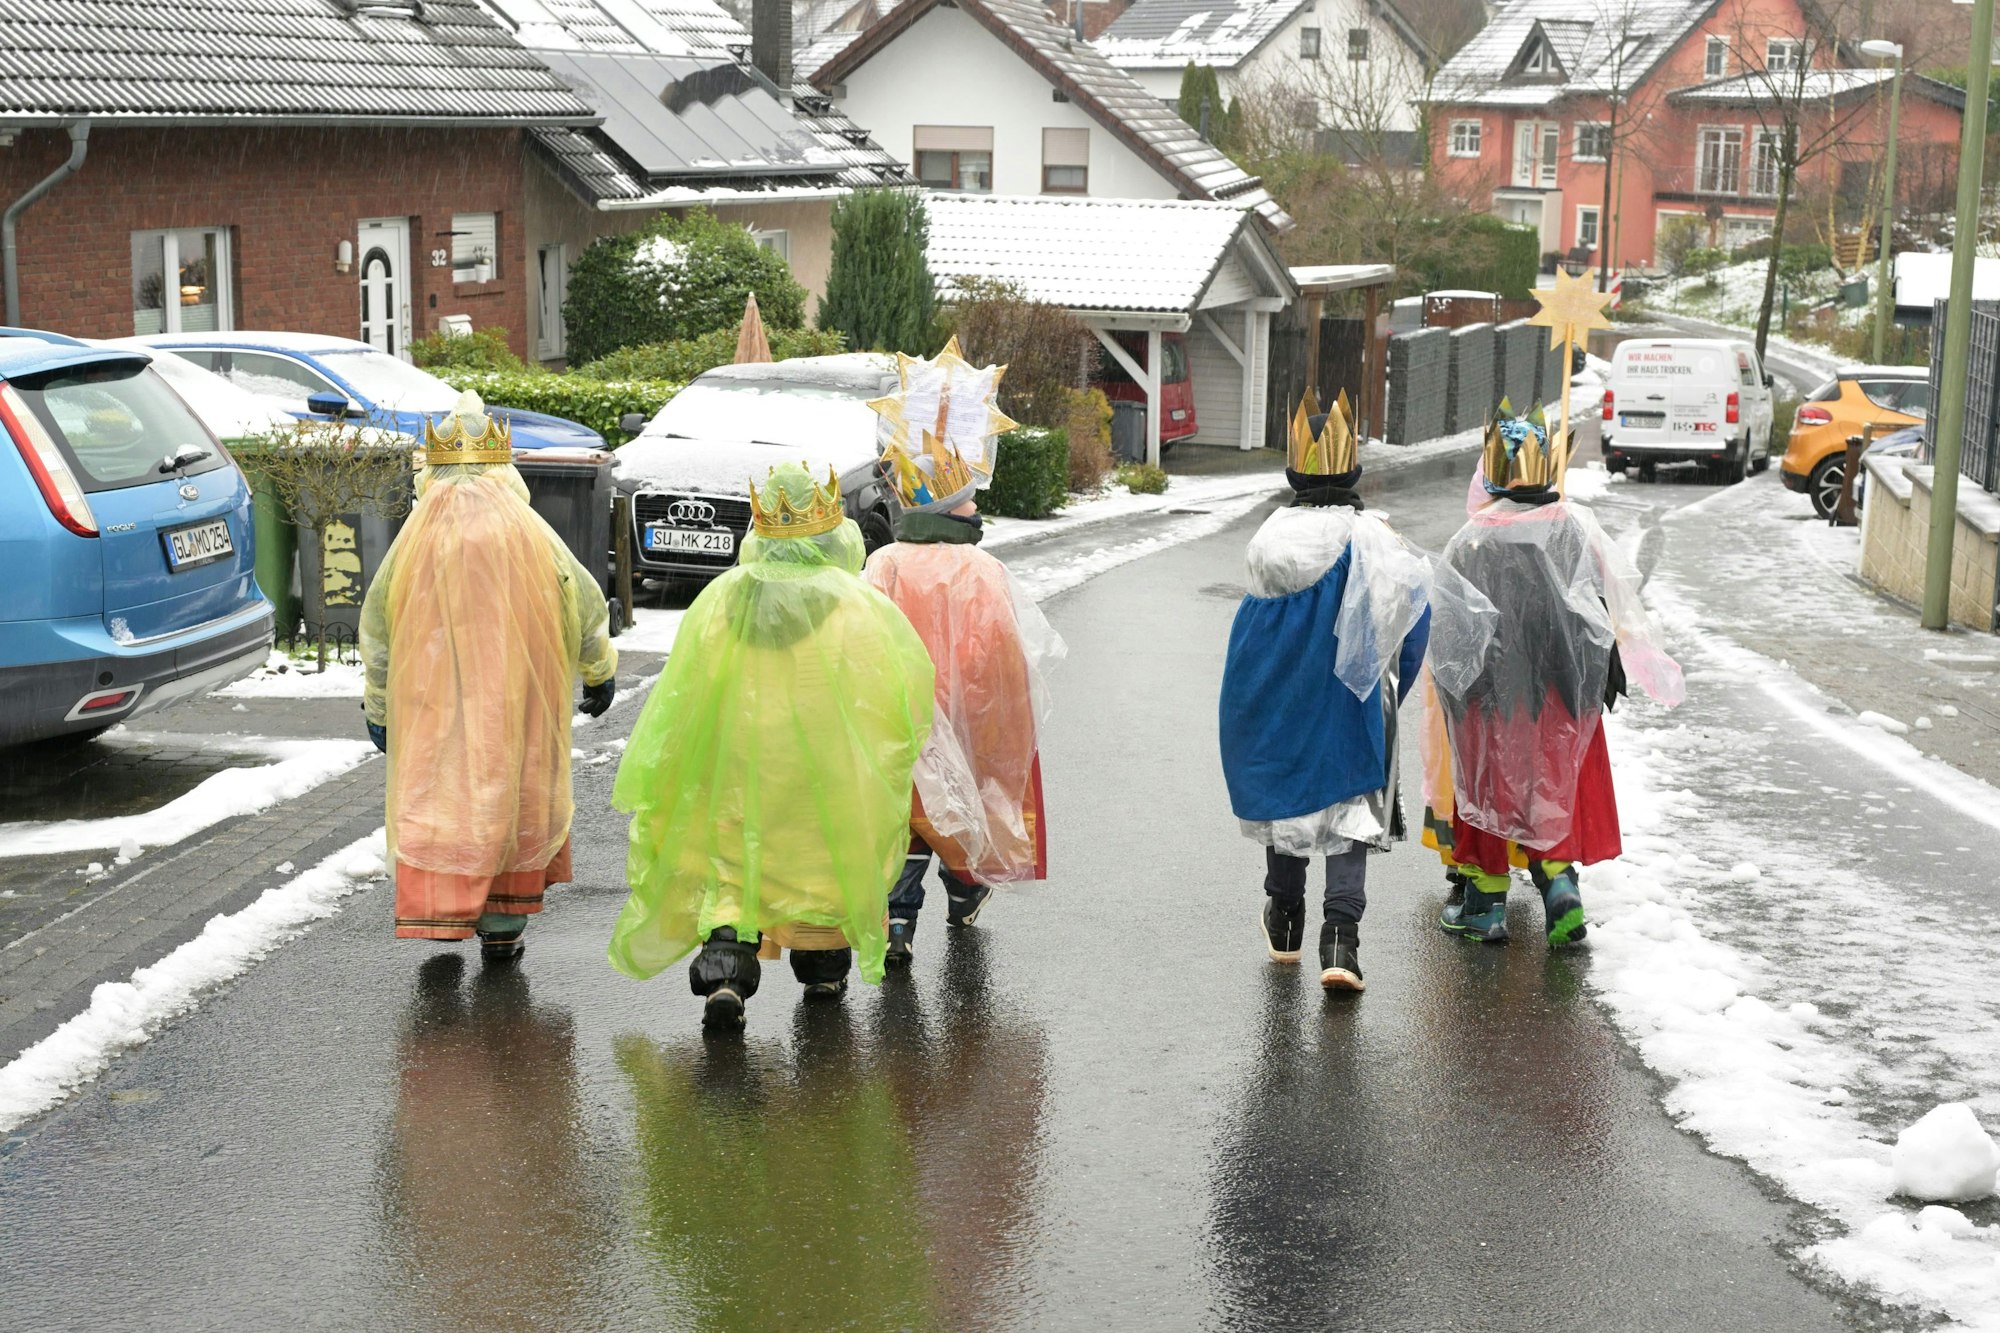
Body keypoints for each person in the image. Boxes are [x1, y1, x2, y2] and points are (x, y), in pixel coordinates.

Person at [609, 462, 935, 1030]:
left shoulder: (720, 600)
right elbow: (900, 694)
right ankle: (823, 971)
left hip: (737, 772)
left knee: (734, 872)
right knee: (819, 871)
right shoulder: (859, 608)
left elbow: (683, 693)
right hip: (821, 780)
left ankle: (727, 973)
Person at [360, 391, 616, 961]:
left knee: (444, 792)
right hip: (518, 698)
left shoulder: (417, 537)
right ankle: (502, 923)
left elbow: (378, 625)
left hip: (434, 699)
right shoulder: (529, 531)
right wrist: (598, 671)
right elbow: (582, 599)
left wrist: (378, 706)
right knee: (512, 791)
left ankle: (441, 911)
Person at [1425, 404, 1683, 947]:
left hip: (1491, 698)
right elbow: (1605, 606)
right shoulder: (1574, 528)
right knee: (1552, 787)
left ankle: (1485, 906)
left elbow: (1451, 627)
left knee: (1488, 788)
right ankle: (1559, 882)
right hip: (1560, 693)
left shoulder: (1473, 537)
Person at [1217, 393, 1432, 991]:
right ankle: (1341, 940)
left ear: (1295, 473)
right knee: (1349, 810)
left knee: (1286, 795)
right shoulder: (1373, 539)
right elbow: (1414, 621)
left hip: (1274, 697)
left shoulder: (1268, 539)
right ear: (1352, 470)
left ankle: (1285, 917)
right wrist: (1386, 696)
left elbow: (1251, 634)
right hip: (1347, 701)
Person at [864, 431, 1064, 967]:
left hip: (900, 715)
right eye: (968, 500)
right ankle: (964, 890)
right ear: (949, 510)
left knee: (908, 815)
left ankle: (898, 920)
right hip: (968, 716)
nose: (976, 508)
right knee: (962, 807)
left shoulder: (884, 564)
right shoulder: (982, 569)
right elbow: (1004, 650)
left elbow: (865, 640)